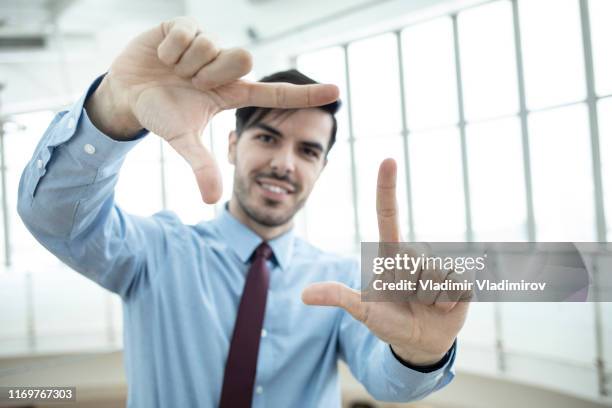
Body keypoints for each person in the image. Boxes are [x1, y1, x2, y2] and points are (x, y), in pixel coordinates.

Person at [17, 16, 469, 408]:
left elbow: (385, 377)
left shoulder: (342, 283)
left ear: (321, 168)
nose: (285, 163)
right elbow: (54, 218)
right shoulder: (156, 253)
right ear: (233, 145)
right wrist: (112, 109)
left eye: (308, 151)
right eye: (268, 138)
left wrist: (419, 353)